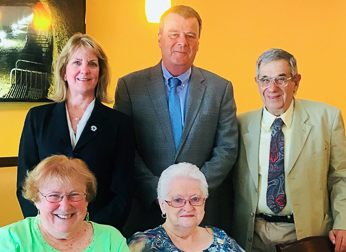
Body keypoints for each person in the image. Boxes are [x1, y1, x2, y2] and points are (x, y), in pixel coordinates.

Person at [114, 5, 238, 237]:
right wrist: (159, 192)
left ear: (198, 42)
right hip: (147, 209)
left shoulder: (220, 89)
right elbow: (124, 149)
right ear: (159, 38)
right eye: (174, 34)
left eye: (190, 35)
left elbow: (227, 148)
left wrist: (193, 195)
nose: (183, 41)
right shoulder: (130, 87)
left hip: (202, 214)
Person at [233, 48, 346, 252]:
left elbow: (343, 177)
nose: (272, 88)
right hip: (252, 236)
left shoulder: (327, 119)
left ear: (296, 81)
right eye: (265, 79)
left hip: (306, 235)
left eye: (281, 78)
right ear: (257, 83)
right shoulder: (240, 125)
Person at [17, 33, 135, 232]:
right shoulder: (37, 118)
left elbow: (123, 190)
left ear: (100, 73)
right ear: (64, 72)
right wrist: (43, 228)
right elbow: (25, 183)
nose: (84, 70)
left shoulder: (119, 124)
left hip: (99, 232)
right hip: (45, 231)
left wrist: (95, 231)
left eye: (92, 64)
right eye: (77, 62)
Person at [1, 155, 130, 251]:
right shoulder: (11, 239)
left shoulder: (111, 239)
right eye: (54, 196)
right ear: (36, 200)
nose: (65, 206)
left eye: (74, 195)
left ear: (86, 199)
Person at [127, 162, 244, 252]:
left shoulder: (221, 239)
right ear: (162, 205)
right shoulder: (144, 244)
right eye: (178, 200)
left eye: (195, 199)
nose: (188, 207)